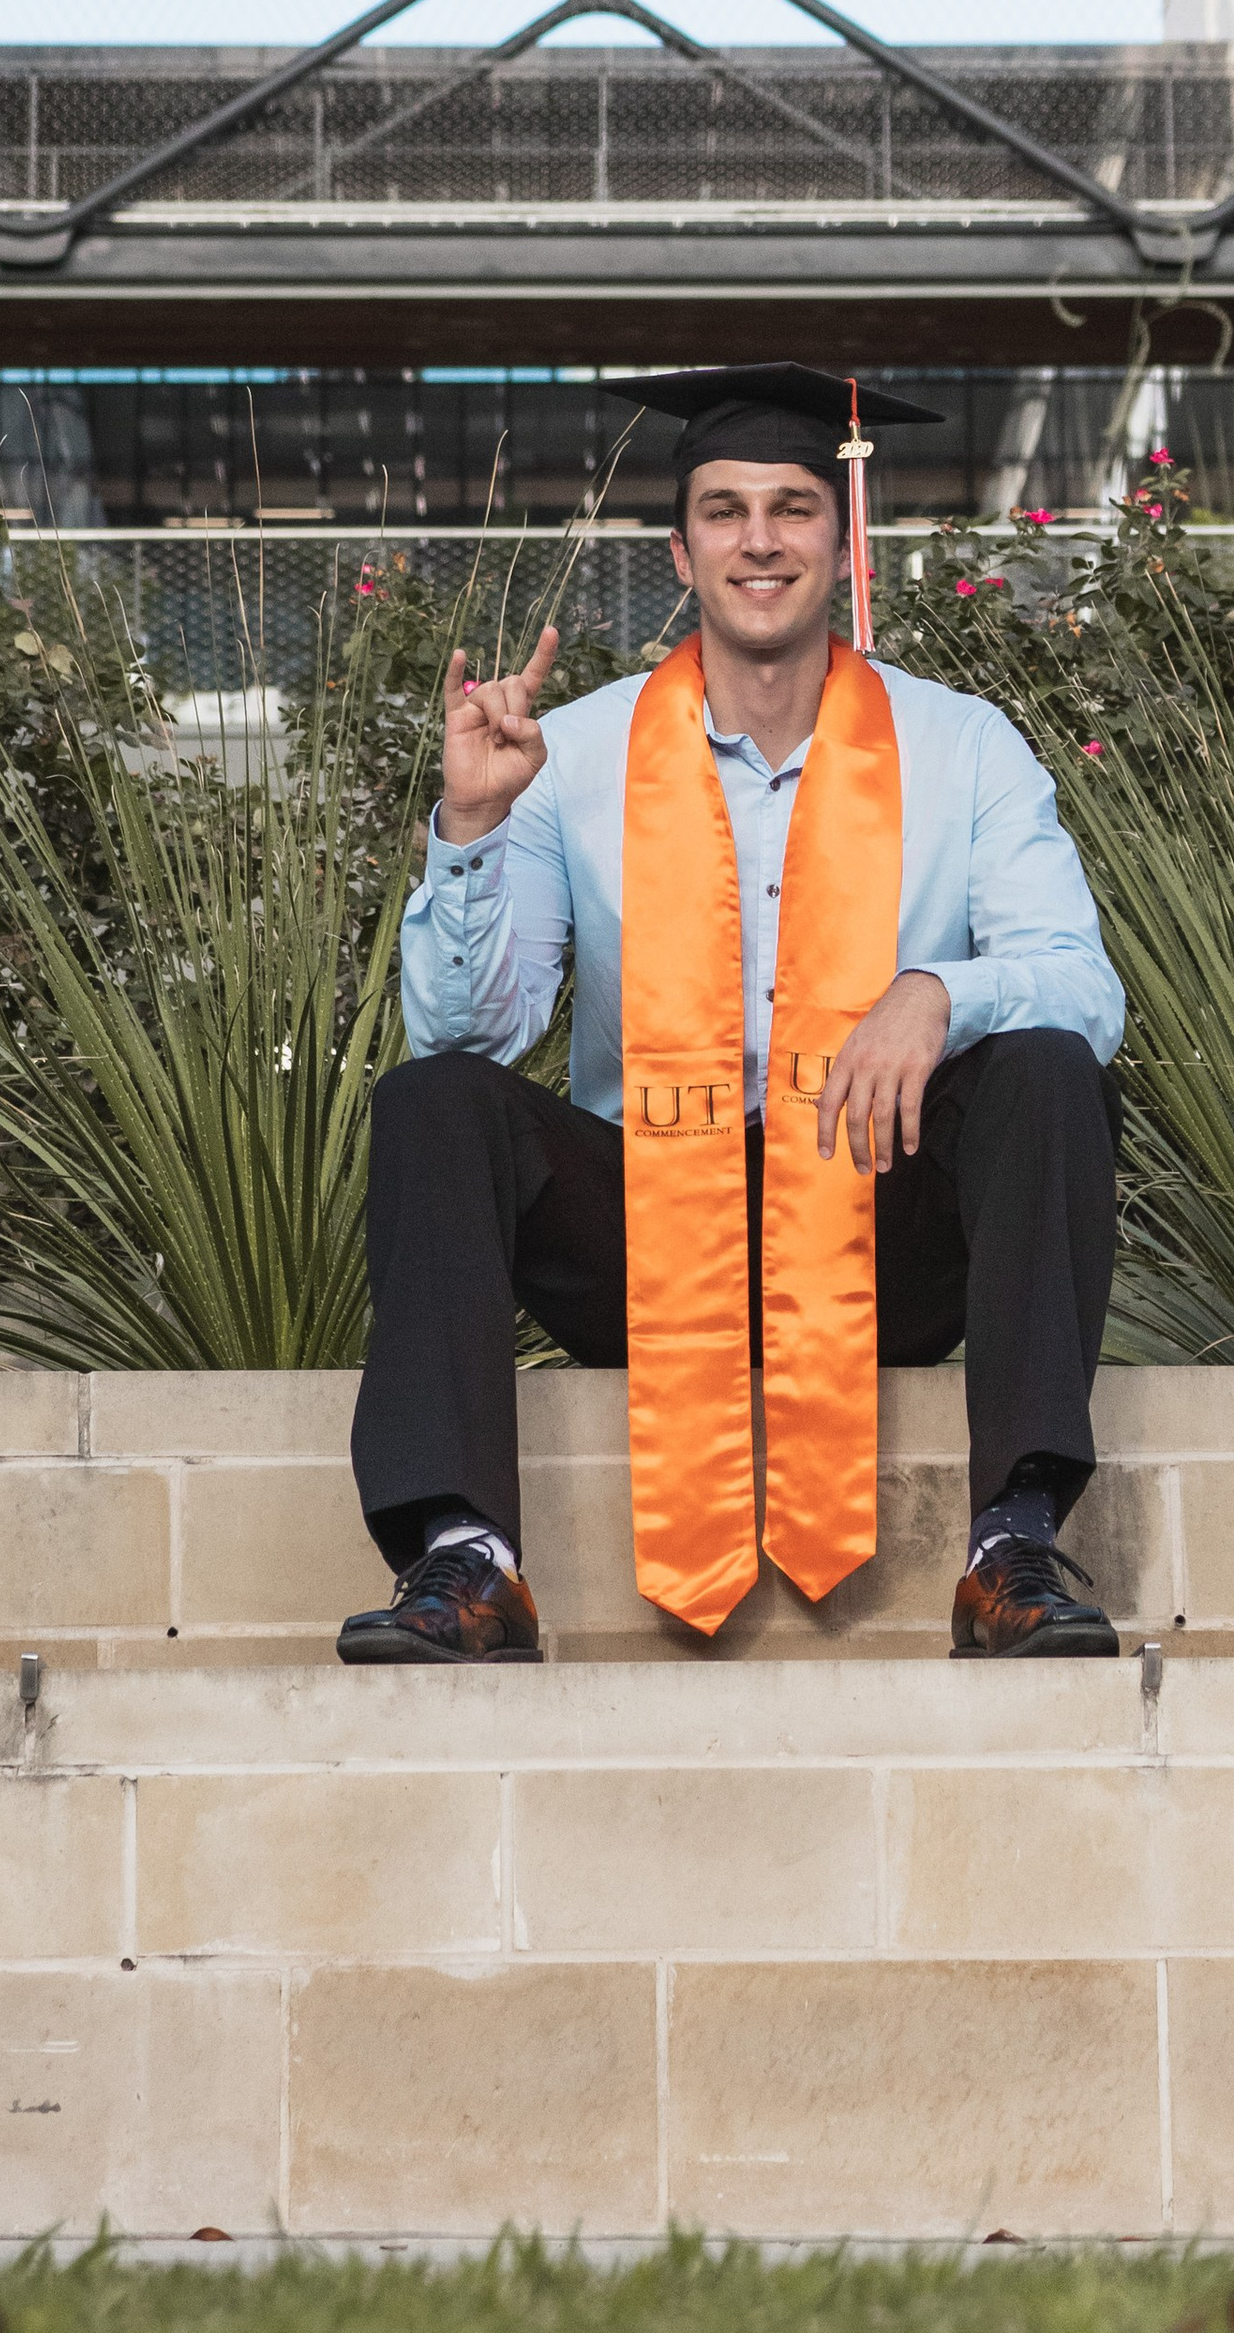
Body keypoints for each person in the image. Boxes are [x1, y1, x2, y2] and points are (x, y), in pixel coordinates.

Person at [338, 362, 1129, 1667]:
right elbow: (468, 1035)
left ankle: (1015, 1547)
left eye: (791, 507)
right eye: (725, 510)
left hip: (879, 1219)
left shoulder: (964, 745)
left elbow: (1083, 986)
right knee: (432, 1102)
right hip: (645, 1239)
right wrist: (472, 829)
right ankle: (464, 1563)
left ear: (841, 540)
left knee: (1047, 1065)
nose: (760, 539)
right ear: (682, 552)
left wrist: (941, 991)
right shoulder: (571, 756)